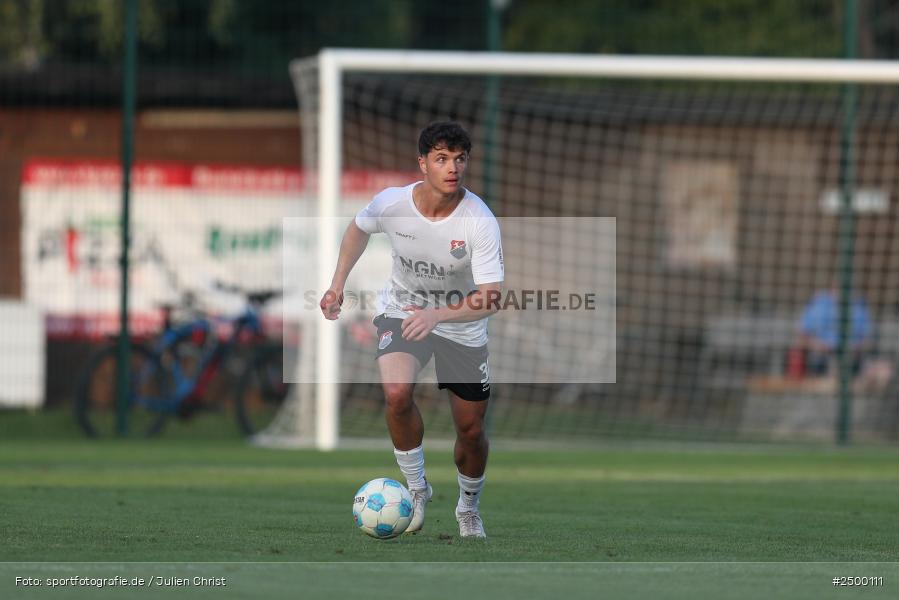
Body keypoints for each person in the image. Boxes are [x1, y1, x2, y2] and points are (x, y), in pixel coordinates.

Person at [319, 121, 504, 539]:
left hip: (461, 327)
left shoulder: (479, 220)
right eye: (441, 158)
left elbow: (491, 297)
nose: (452, 167)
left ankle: (469, 507)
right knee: (397, 393)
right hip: (401, 311)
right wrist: (336, 285)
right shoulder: (392, 203)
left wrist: (438, 315)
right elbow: (357, 229)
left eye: (459, 159)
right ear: (423, 163)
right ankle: (417, 489)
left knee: (471, 432)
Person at [797, 282, 872, 376]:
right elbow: (803, 335)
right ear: (832, 290)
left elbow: (867, 340)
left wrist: (856, 348)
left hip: (851, 355)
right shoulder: (819, 304)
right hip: (822, 354)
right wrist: (817, 345)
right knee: (817, 360)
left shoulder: (859, 307)